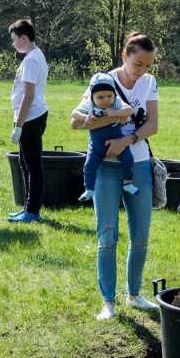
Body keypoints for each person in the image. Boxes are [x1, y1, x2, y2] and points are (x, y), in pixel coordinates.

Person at [71, 32, 159, 321]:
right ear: (125, 55)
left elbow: (153, 125)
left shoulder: (149, 82)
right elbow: (76, 121)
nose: (142, 71)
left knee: (141, 236)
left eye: (148, 65)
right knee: (107, 235)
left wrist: (127, 140)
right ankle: (108, 302)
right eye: (138, 64)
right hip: (105, 169)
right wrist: (112, 118)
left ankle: (134, 295)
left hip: (139, 165)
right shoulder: (103, 81)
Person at [7, 19, 49, 223]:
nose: (13, 43)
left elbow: (29, 95)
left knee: (32, 165)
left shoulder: (32, 60)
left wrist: (19, 126)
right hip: (31, 116)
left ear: (24, 38)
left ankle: (32, 211)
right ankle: (27, 207)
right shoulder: (34, 56)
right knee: (25, 164)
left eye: (14, 39)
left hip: (31, 118)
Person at [73, 71, 138, 202]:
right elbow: (74, 114)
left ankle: (128, 183)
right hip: (96, 146)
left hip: (117, 141)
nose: (105, 100)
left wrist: (115, 113)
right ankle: (89, 189)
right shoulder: (89, 105)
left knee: (128, 159)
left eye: (109, 96)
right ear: (92, 97)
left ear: (114, 94)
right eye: (100, 97)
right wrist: (85, 117)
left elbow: (129, 111)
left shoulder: (116, 103)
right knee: (89, 166)